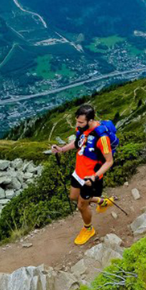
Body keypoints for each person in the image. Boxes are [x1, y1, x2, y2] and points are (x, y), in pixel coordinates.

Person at [51, 104, 117, 246]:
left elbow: (109, 161)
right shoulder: (82, 129)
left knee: (81, 206)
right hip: (79, 172)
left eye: (81, 122)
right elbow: (77, 143)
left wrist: (94, 177)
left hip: (90, 178)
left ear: (90, 120)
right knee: (73, 197)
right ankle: (102, 202)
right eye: (77, 121)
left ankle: (88, 229)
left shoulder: (102, 137)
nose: (77, 124)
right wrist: (62, 149)